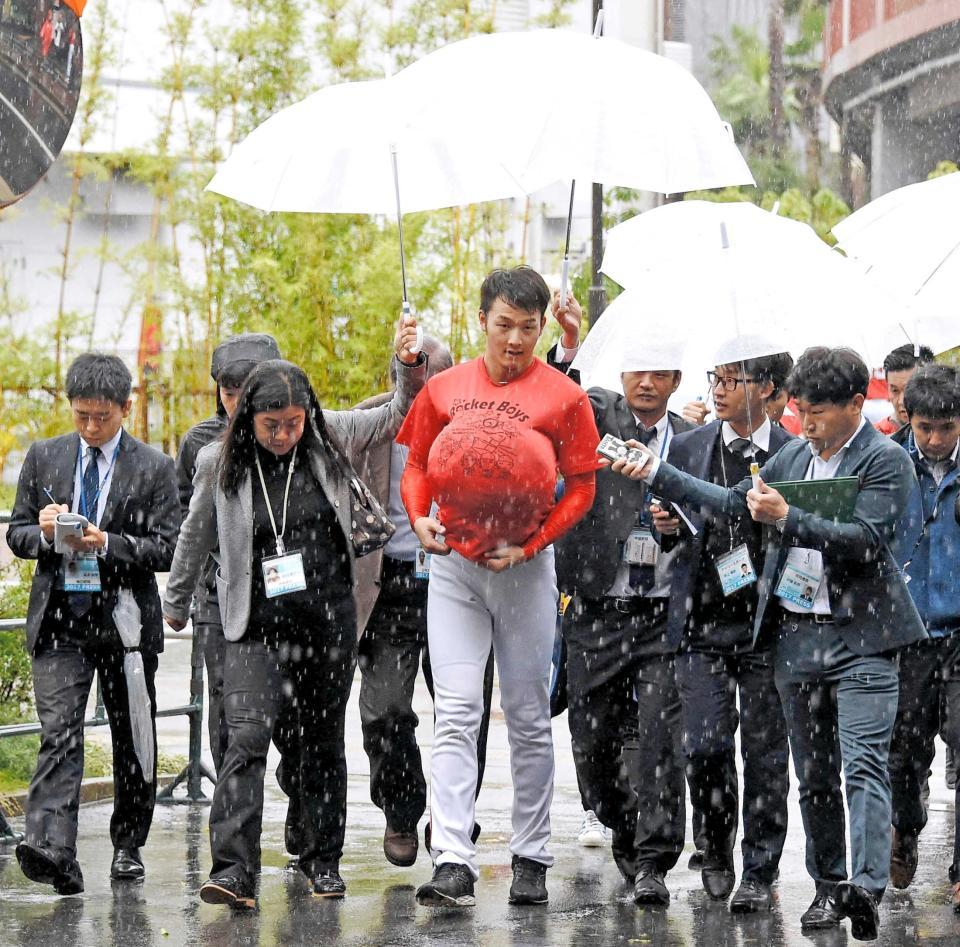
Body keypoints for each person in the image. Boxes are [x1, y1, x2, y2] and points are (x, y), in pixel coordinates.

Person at [611, 347, 926, 942]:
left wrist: (787, 517)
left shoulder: (885, 459)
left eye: (819, 414)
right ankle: (829, 887)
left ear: (856, 405)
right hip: (796, 635)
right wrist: (657, 473)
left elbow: (866, 540)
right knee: (814, 774)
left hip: (865, 636)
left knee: (863, 764)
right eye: (802, 411)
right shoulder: (793, 455)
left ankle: (865, 887)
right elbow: (734, 501)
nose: (808, 425)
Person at [163, 322, 425, 910]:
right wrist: (175, 602)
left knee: (321, 742)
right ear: (248, 420)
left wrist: (406, 363)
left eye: (293, 423)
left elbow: (397, 413)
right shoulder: (218, 461)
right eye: (271, 425)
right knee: (246, 738)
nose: (283, 435)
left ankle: (321, 858)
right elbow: (195, 532)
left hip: (326, 624)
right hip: (254, 627)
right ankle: (234, 870)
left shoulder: (330, 436)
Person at [398, 266, 599, 908]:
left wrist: (533, 546)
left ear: (543, 328)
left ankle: (531, 855)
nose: (515, 340)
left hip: (524, 570)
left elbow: (584, 487)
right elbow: (416, 466)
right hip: (454, 569)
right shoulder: (443, 388)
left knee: (529, 716)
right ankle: (452, 857)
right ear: (481, 320)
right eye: (504, 324)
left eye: (528, 328)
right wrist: (419, 518)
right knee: (456, 713)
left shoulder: (564, 397)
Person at [8, 353, 180, 893]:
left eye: (101, 417)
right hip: (60, 618)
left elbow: (168, 548)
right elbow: (16, 534)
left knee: (132, 734)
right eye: (81, 415)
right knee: (59, 731)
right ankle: (52, 848)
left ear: (125, 407)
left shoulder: (154, 467)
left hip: (124, 622)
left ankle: (128, 844)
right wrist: (44, 534)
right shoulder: (45, 456)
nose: (89, 427)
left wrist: (107, 543)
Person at [549, 330, 697, 908]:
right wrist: (568, 343)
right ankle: (621, 819)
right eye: (638, 371)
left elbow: (711, 515)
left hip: (664, 615)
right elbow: (558, 395)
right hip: (596, 610)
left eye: (660, 373)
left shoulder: (691, 442)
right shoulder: (597, 419)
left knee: (661, 737)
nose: (647, 382)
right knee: (592, 743)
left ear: (677, 381)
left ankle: (653, 860)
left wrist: (678, 524)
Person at [652, 348, 794, 913]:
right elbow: (666, 523)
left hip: (768, 625)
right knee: (705, 744)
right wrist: (664, 524)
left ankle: (760, 870)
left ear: (768, 388)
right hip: (701, 619)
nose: (719, 389)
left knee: (766, 753)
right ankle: (714, 848)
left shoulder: (792, 453)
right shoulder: (688, 445)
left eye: (734, 380)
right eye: (717, 378)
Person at [351, 336, 495, 869]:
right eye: (412, 379)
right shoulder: (370, 421)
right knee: (384, 708)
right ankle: (401, 805)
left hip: (458, 578)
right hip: (388, 584)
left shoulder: (478, 422)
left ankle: (452, 817)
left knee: (466, 710)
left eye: (434, 379)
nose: (423, 390)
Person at [174, 333, 280, 776]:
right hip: (219, 588)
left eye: (246, 391)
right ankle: (232, 798)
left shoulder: (294, 431)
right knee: (225, 701)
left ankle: (291, 779)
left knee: (290, 705)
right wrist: (182, 592)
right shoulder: (202, 444)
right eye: (228, 392)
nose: (237, 402)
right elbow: (186, 518)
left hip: (283, 586)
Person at [887, 364, 960, 908]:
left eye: (948, 428)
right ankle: (905, 826)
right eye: (925, 428)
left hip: (959, 631)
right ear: (907, 418)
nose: (935, 440)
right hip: (906, 632)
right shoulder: (888, 464)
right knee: (904, 752)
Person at [876, 343, 935, 439]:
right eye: (895, 390)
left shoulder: (953, 432)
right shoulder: (876, 437)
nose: (901, 401)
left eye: (909, 390)